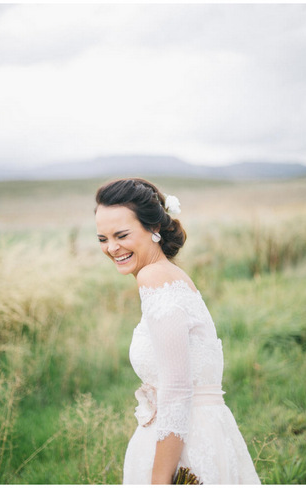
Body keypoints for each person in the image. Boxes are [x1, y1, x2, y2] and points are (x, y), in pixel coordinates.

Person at [94, 178, 260, 484]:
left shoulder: (154, 278)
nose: (112, 248)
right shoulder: (170, 275)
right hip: (203, 431)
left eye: (121, 235)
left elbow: (177, 391)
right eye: (102, 238)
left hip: (188, 447)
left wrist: (160, 479)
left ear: (153, 228)